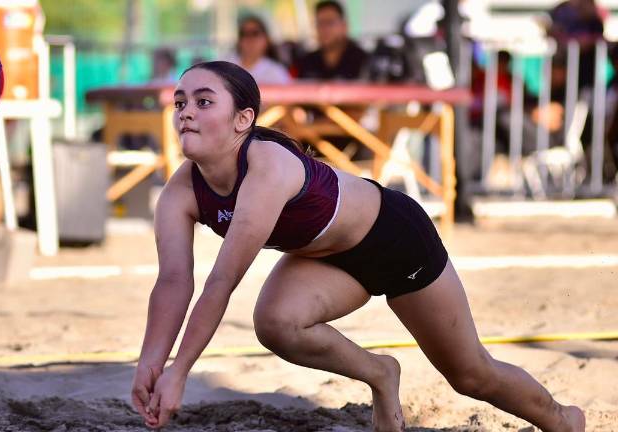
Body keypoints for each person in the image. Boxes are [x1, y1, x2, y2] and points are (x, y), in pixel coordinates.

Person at [130, 61, 586, 432]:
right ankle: (380, 374)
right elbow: (173, 281)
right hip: (327, 259)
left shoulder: (265, 167)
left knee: (471, 375)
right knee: (276, 323)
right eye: (180, 102)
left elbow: (222, 281)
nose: (185, 111)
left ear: (243, 120)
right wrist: (151, 364)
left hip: (394, 239)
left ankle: (565, 422)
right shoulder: (180, 192)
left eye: (204, 101)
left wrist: (181, 371)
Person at [291, 0, 369, 80]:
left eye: (329, 22)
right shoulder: (305, 63)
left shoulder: (364, 62)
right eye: (320, 23)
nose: (324, 29)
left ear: (344, 26)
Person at [226, 15, 291, 85]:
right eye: (244, 33)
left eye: (255, 33)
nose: (249, 38)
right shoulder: (225, 66)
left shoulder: (277, 73)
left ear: (266, 39)